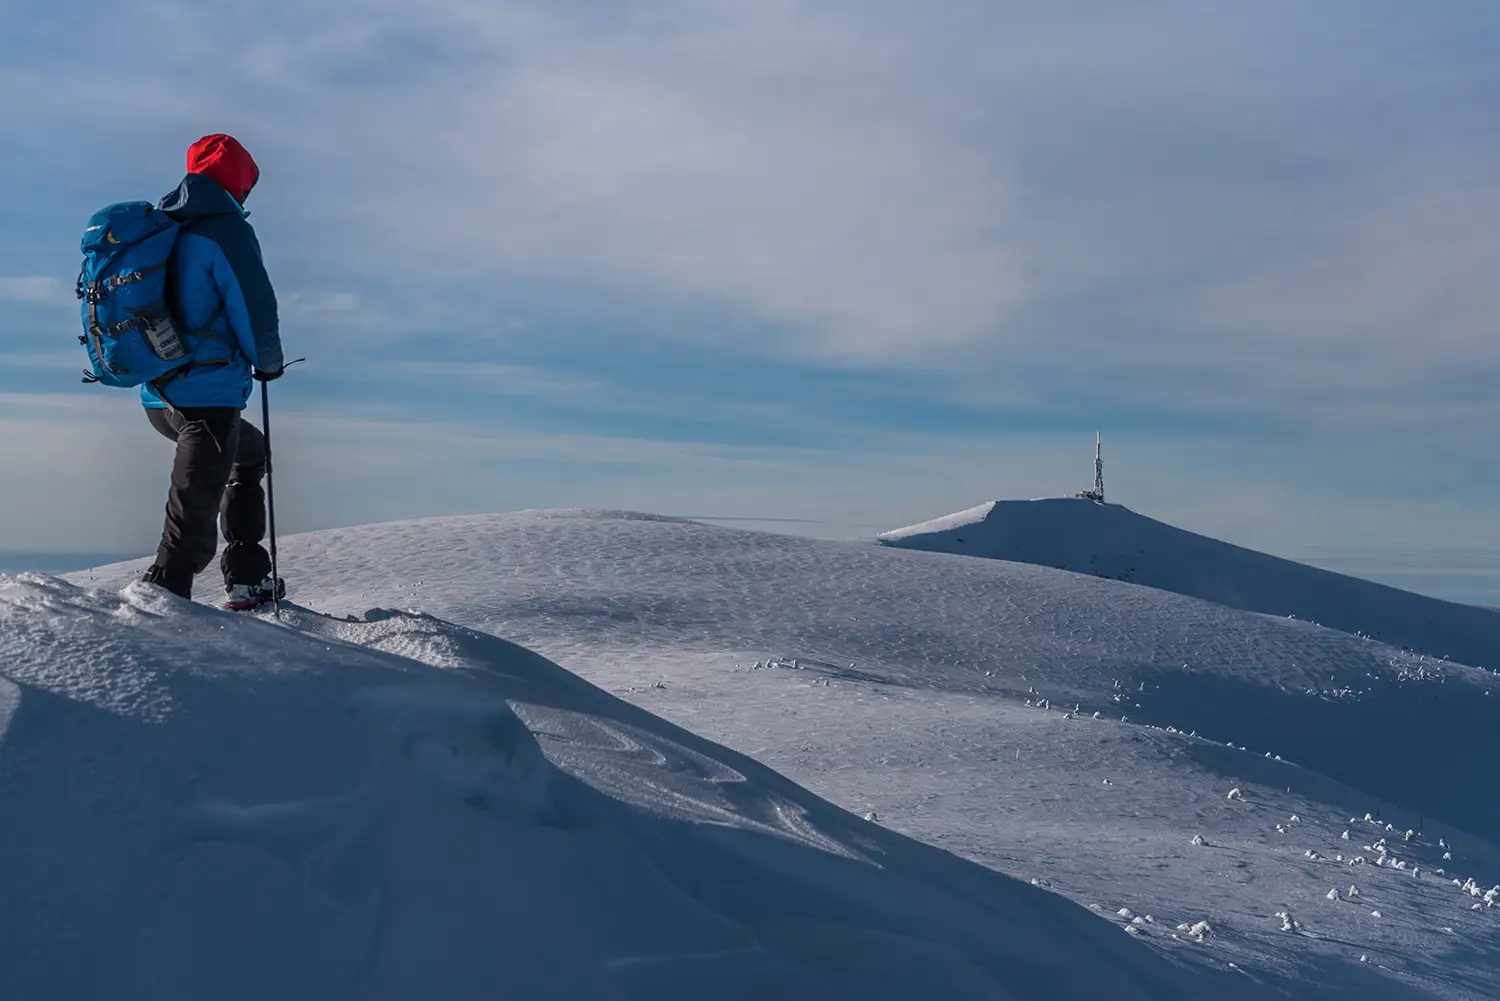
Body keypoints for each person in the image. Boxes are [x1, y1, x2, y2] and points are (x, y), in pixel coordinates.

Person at [138, 134, 286, 609]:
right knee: (189, 523)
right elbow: (253, 304)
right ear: (238, 184)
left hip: (158, 398)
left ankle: (246, 577)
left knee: (250, 452)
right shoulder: (226, 230)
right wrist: (268, 363)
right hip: (207, 396)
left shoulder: (161, 225)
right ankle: (162, 599)